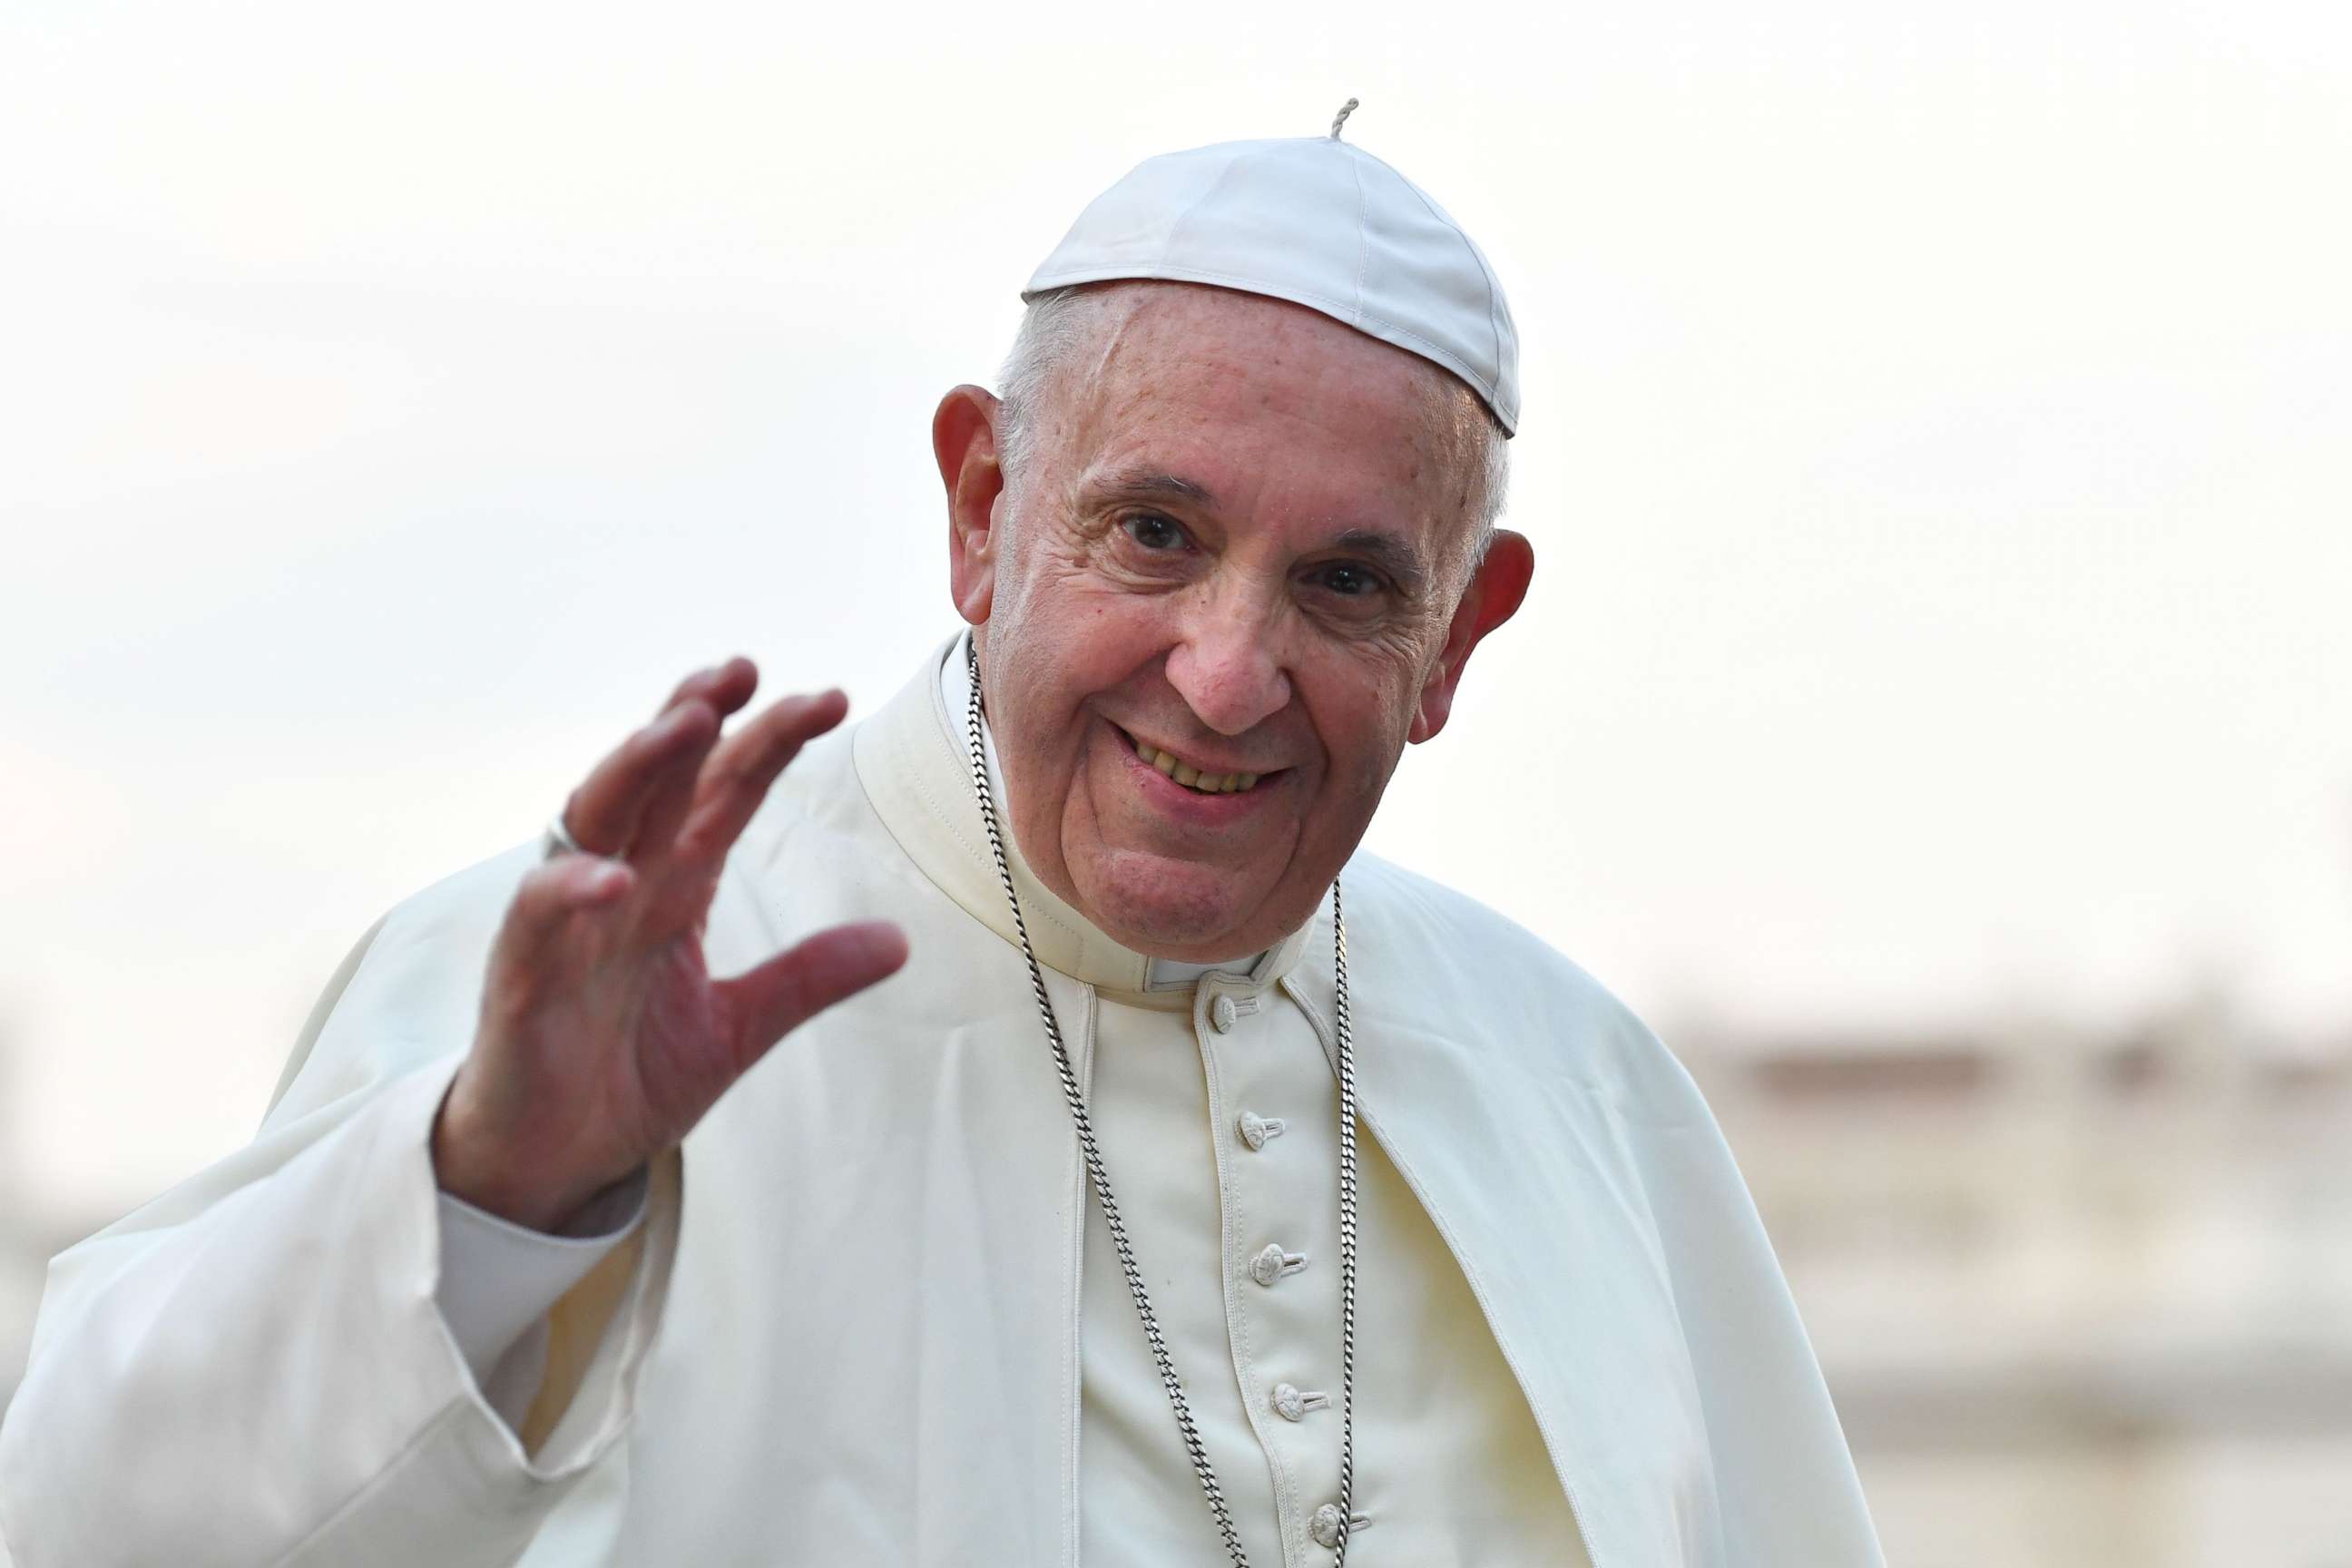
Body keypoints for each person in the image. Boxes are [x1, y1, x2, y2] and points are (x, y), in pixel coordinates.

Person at [0, 115, 1884, 1567]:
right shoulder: (594, 996)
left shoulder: (1577, 1087)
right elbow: (89, 1522)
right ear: (983, 507)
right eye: (1153, 533)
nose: (1229, 678)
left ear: (1461, 637)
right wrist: (496, 1192)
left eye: (1344, 582)